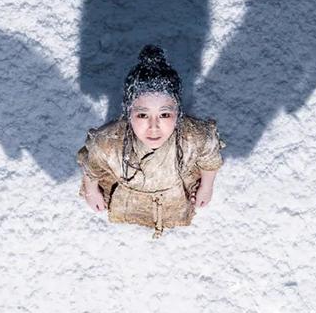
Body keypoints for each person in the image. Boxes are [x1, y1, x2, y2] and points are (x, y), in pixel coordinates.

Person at [76, 45, 225, 239]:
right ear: (128, 113)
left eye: (164, 114)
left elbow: (210, 157)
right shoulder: (109, 142)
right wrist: (91, 190)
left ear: (178, 112)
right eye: (142, 114)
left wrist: (207, 185)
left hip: (173, 196)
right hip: (129, 197)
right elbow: (92, 165)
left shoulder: (193, 137)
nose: (153, 126)